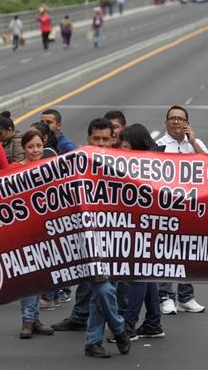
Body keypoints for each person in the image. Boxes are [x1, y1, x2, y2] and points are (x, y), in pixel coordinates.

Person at [107, 124, 164, 343]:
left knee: (138, 275)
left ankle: (128, 325)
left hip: (144, 226)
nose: (125, 149)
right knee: (147, 276)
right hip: (151, 226)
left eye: (127, 144)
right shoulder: (156, 159)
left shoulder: (147, 164)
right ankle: (153, 322)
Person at [83, 118, 131, 358]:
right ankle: (119, 327)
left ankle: (92, 341)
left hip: (115, 241)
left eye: (106, 138)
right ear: (88, 139)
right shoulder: (76, 164)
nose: (101, 143)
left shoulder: (124, 165)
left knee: (104, 293)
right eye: (96, 138)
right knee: (102, 290)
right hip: (87, 242)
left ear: (113, 139)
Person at [156, 105, 207, 314]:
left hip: (191, 207)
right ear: (166, 122)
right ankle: (165, 297)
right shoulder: (158, 145)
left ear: (187, 123)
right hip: (166, 207)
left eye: (180, 119)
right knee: (167, 252)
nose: (176, 122)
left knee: (188, 251)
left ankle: (186, 297)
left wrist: (193, 141)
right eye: (172, 118)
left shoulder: (196, 144)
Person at [8, 129, 56, 339]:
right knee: (28, 276)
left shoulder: (49, 168)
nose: (35, 150)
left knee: (40, 276)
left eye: (38, 146)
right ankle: (27, 320)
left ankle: (35, 319)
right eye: (30, 147)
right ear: (24, 149)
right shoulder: (14, 169)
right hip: (22, 231)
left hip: (44, 230)